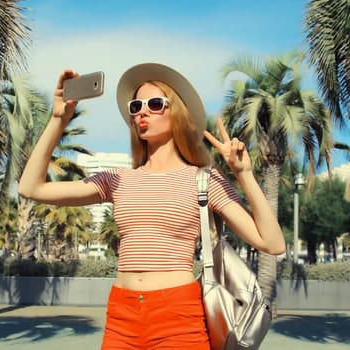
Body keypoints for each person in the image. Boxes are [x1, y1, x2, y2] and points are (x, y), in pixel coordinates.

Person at [18, 63, 286, 349]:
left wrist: (243, 174)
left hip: (179, 315)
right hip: (122, 315)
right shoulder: (117, 179)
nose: (142, 111)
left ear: (178, 113)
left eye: (155, 103)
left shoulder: (203, 180)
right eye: (136, 106)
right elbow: (30, 187)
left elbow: (272, 243)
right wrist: (59, 118)